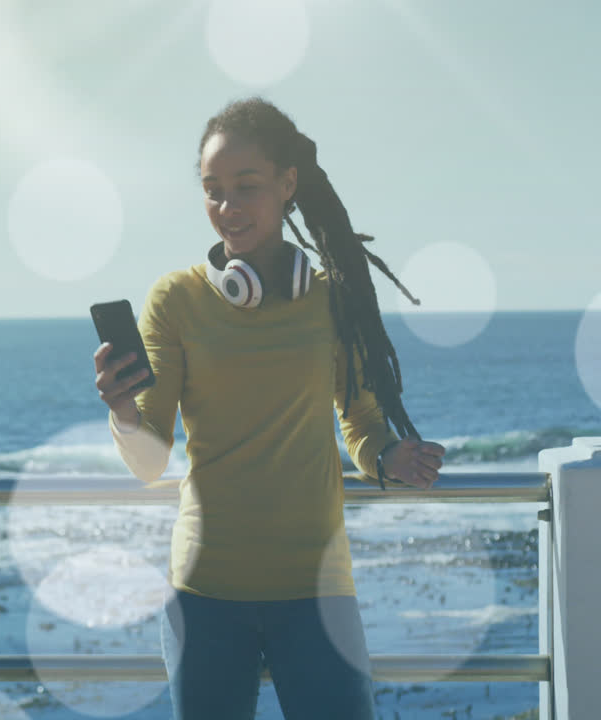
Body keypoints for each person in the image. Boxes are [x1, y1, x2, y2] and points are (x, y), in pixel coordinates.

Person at [92, 96, 446, 719]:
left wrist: (391, 455)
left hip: (317, 590)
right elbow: (149, 461)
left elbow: (360, 425)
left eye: (246, 187)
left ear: (287, 184)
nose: (227, 208)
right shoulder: (175, 300)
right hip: (204, 592)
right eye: (213, 190)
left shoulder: (334, 300)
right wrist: (123, 412)